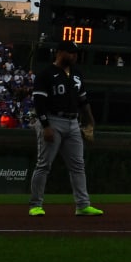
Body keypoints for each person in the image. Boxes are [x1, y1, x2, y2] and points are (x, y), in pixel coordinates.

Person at [28, 46, 101, 217]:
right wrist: (45, 126)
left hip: (73, 122)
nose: (75, 56)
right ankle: (35, 205)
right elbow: (39, 102)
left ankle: (83, 205)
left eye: (76, 53)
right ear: (60, 53)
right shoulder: (46, 73)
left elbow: (83, 100)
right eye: (71, 52)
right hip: (52, 120)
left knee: (78, 165)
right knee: (44, 165)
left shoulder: (76, 74)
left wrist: (90, 120)